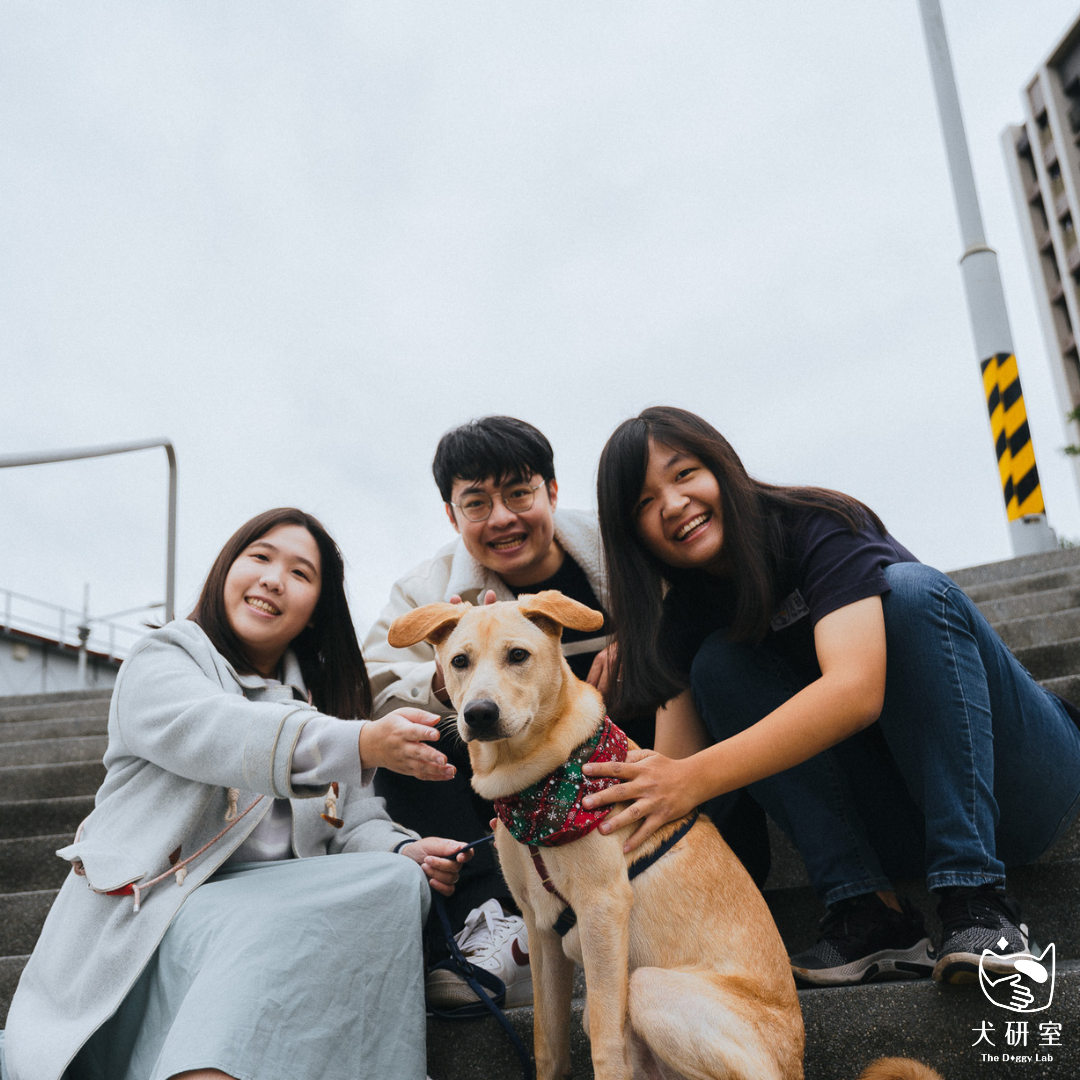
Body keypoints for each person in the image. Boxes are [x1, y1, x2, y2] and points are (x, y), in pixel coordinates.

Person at [581, 406, 1080, 987]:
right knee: (718, 665)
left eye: (685, 473)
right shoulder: (680, 621)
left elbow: (855, 690)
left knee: (910, 594)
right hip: (899, 824)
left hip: (1021, 787)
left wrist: (690, 777)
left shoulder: (817, 525)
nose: (671, 504)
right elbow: (667, 783)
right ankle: (869, 912)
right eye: (644, 503)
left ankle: (978, 902)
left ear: (722, 467)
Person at [2, 508, 471, 1080]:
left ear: (315, 612)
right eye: (261, 557)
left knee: (394, 881)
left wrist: (403, 850)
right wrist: (362, 742)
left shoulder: (321, 706)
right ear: (227, 569)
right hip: (155, 921)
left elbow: (353, 821)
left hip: (271, 922)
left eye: (300, 573)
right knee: (269, 921)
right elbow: (223, 731)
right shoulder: (165, 658)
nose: (274, 579)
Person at [363, 416, 612, 1010]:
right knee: (414, 733)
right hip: (503, 779)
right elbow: (370, 687)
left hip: (623, 751)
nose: (501, 518)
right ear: (453, 517)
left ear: (553, 491)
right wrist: (456, 672)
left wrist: (647, 641)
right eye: (476, 503)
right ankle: (497, 920)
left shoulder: (619, 553)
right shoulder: (426, 590)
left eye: (519, 493)